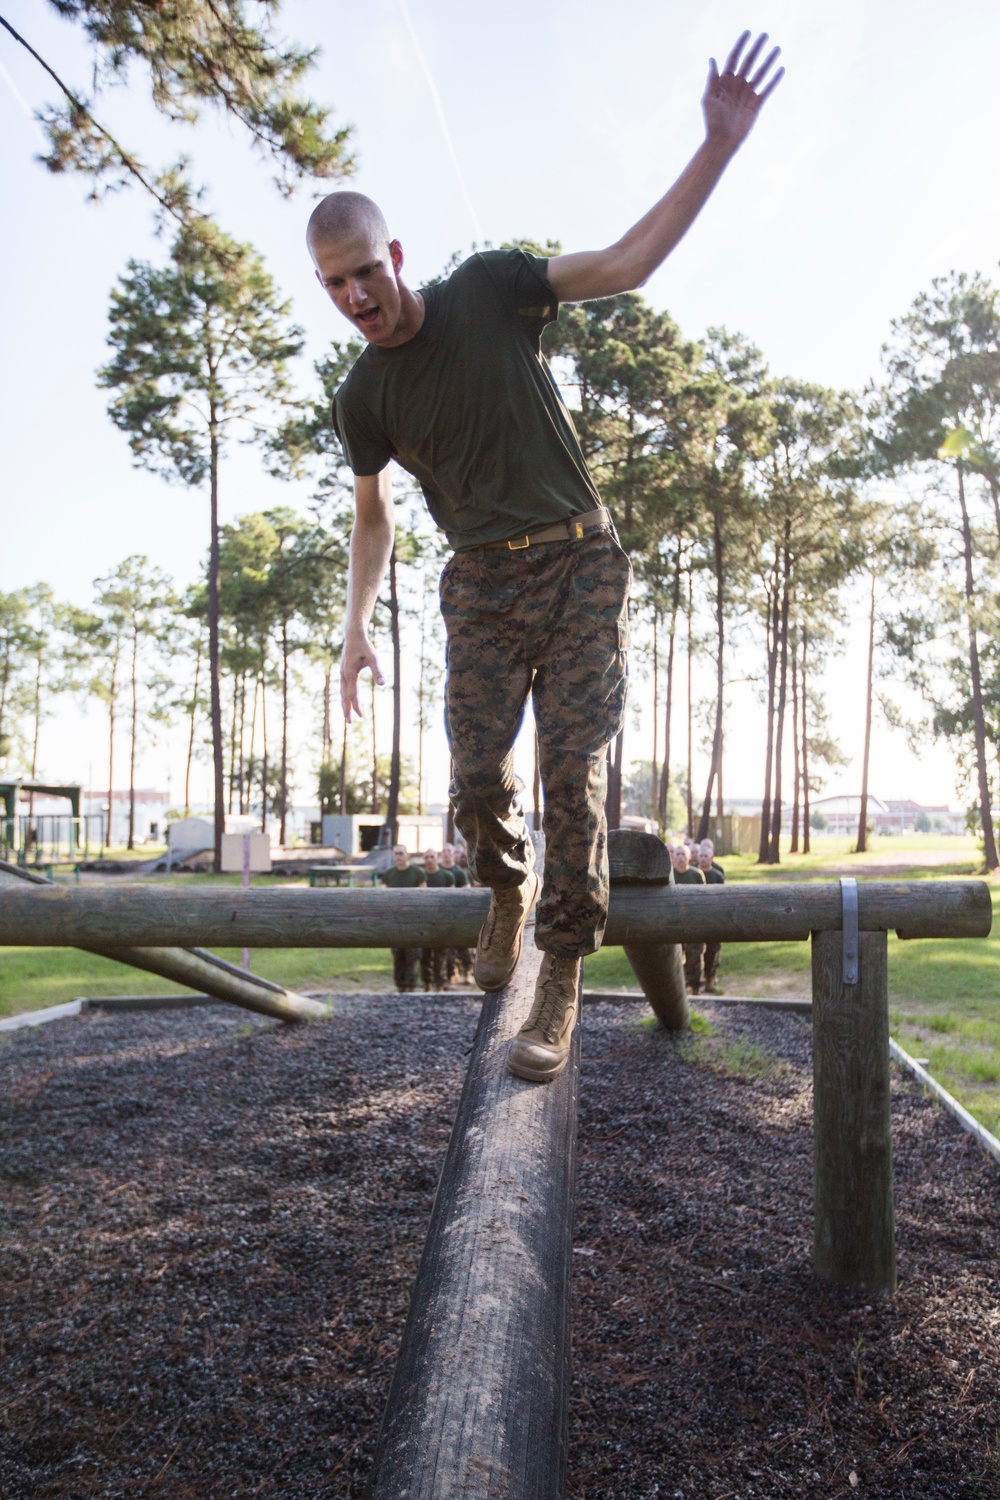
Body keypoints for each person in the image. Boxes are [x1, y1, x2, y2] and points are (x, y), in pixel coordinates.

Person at [309, 32, 783, 1083]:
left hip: (578, 562)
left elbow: (621, 265)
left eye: (363, 274)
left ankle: (561, 971)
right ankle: (507, 886)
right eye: (332, 285)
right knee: (478, 774)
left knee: (571, 770)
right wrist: (352, 631)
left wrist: (715, 148)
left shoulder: (489, 288)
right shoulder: (363, 397)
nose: (354, 299)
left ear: (395, 257)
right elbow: (374, 516)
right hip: (477, 581)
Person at [379, 844, 425, 991]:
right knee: (398, 956)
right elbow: (383, 895)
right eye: (396, 854)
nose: (398, 856)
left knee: (412, 956)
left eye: (401, 853)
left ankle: (411, 987)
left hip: (413, 921)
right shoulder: (389, 874)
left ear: (407, 855)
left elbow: (423, 895)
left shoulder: (418, 873)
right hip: (395, 922)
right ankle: (400, 987)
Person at [671, 843, 706, 995]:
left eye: (683, 854)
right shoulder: (668, 875)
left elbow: (705, 898)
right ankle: (678, 986)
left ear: (689, 857)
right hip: (673, 923)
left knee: (695, 956)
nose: (680, 857)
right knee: (675, 957)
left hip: (693, 922)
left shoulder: (697, 875)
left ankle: (695, 985)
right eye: (677, 854)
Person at [420, 847, 455, 991]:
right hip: (424, 921)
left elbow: (453, 899)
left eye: (432, 857)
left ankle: (440, 984)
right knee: (425, 955)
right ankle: (427, 984)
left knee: (441, 955)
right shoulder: (420, 875)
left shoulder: (447, 876)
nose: (429, 860)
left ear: (437, 858)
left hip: (442, 920)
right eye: (426, 857)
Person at [441, 842, 475, 986]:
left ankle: (468, 973)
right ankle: (450, 975)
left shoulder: (460, 873)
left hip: (459, 916)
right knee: (447, 949)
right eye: (444, 851)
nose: (447, 854)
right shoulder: (437, 871)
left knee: (465, 947)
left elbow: (468, 894)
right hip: (442, 917)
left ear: (454, 854)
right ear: (441, 854)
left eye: (450, 851)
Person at [697, 842, 725, 995]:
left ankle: (710, 978)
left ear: (711, 857)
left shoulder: (717, 876)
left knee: (712, 950)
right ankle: (694, 981)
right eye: (700, 856)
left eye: (706, 856)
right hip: (696, 918)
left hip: (714, 918)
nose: (703, 859)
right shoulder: (694, 873)